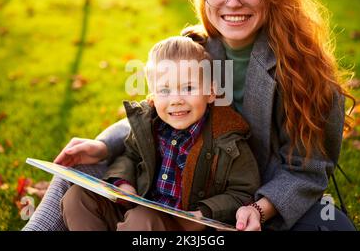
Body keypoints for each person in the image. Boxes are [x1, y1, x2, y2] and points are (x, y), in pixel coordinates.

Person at [23, 0, 355, 231]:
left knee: (334, 229)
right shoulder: (196, 48)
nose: (233, 0)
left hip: (250, 201)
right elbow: (157, 112)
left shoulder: (307, 71)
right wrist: (103, 146)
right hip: (181, 183)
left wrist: (260, 208)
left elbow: (308, 169)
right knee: (81, 174)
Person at [60, 37, 260, 230]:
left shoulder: (227, 139)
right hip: (136, 211)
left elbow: (242, 191)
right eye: (164, 91)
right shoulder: (149, 126)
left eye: (188, 88)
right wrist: (123, 182)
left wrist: (204, 213)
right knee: (77, 197)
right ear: (152, 97)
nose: (176, 100)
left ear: (210, 92)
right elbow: (130, 156)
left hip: (183, 225)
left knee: (142, 220)